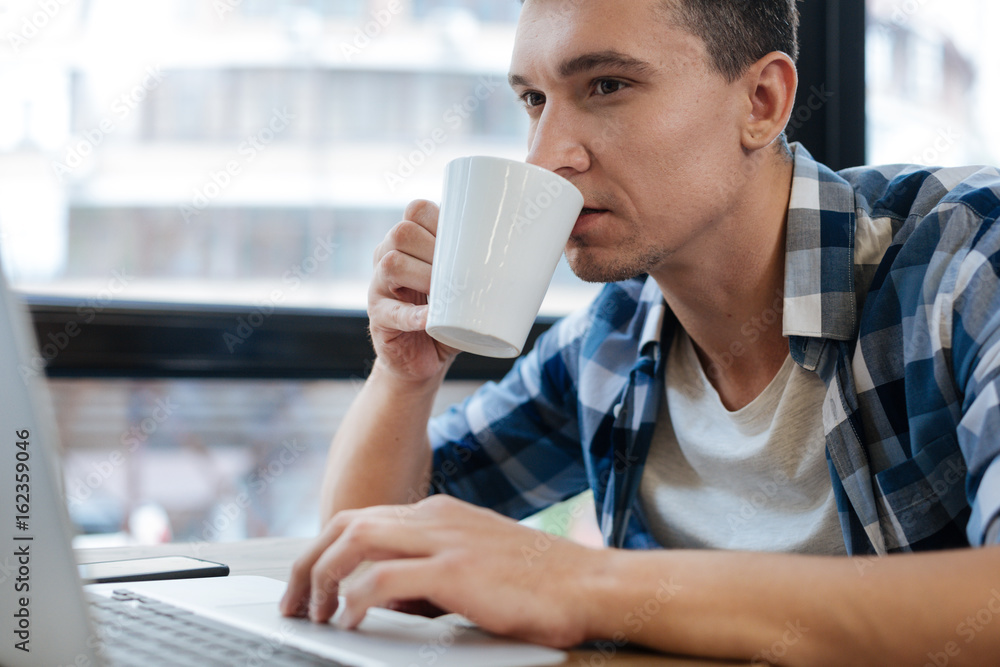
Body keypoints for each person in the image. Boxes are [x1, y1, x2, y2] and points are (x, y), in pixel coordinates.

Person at [281, 0, 1000, 662]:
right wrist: (406, 373)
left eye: (606, 86)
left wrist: (587, 584)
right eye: (533, 100)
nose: (546, 154)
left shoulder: (966, 260)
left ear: (762, 102)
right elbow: (367, 551)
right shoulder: (616, 334)